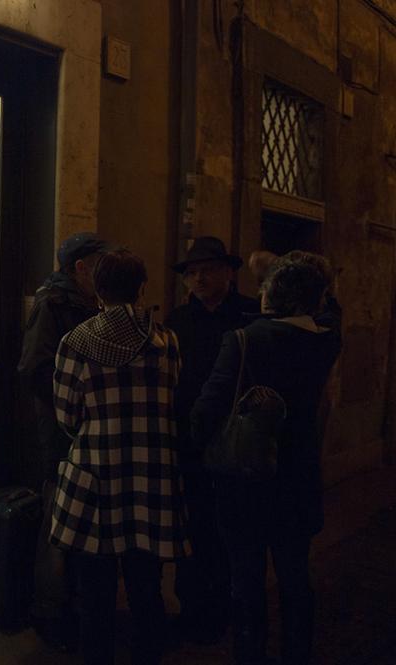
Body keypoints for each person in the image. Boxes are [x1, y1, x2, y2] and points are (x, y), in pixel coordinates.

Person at [191, 255, 341, 665]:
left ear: (271, 295)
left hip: (246, 481)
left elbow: (208, 407)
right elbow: (332, 309)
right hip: (298, 477)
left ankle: (250, 653)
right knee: (295, 578)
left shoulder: (245, 339)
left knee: (246, 580)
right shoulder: (326, 339)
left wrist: (199, 445)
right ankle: (297, 653)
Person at [50, 249, 190, 665]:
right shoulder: (167, 341)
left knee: (95, 592)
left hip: (96, 475)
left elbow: (66, 416)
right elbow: (172, 401)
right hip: (153, 476)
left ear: (97, 289)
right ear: (142, 288)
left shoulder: (75, 342)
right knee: (147, 587)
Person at [17, 232, 109, 650]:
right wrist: (71, 407)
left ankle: (71, 605)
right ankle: (50, 611)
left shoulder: (88, 303)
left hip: (80, 428)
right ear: (81, 267)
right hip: (60, 430)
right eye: (101, 263)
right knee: (58, 516)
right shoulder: (53, 304)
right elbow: (35, 368)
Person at [165, 236, 260, 642]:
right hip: (188, 440)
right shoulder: (177, 321)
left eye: (207, 270)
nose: (199, 278)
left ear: (228, 273)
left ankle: (226, 609)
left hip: (234, 440)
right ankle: (191, 609)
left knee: (230, 530)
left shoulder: (250, 316)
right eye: (192, 272)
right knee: (191, 527)